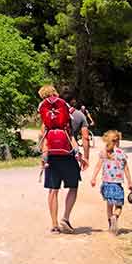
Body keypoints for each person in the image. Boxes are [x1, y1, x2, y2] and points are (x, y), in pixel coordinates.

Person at [38, 84, 81, 234]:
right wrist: (78, 152)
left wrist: (44, 156)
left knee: (53, 190)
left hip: (51, 156)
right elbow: (70, 134)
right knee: (73, 187)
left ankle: (54, 224)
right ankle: (66, 218)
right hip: (67, 154)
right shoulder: (64, 110)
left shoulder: (45, 117)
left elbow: (43, 138)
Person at [90, 130, 132, 235]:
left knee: (109, 205)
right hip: (117, 185)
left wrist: (93, 178)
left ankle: (111, 224)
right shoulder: (121, 153)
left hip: (106, 184)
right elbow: (126, 169)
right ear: (117, 141)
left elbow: (98, 166)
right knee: (119, 206)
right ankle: (115, 216)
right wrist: (130, 182)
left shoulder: (104, 153)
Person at [63, 91, 91, 169]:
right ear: (73, 100)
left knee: (53, 181)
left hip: (54, 154)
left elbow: (42, 133)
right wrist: (86, 158)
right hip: (71, 153)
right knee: (71, 180)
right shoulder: (80, 115)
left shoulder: (53, 113)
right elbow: (85, 137)